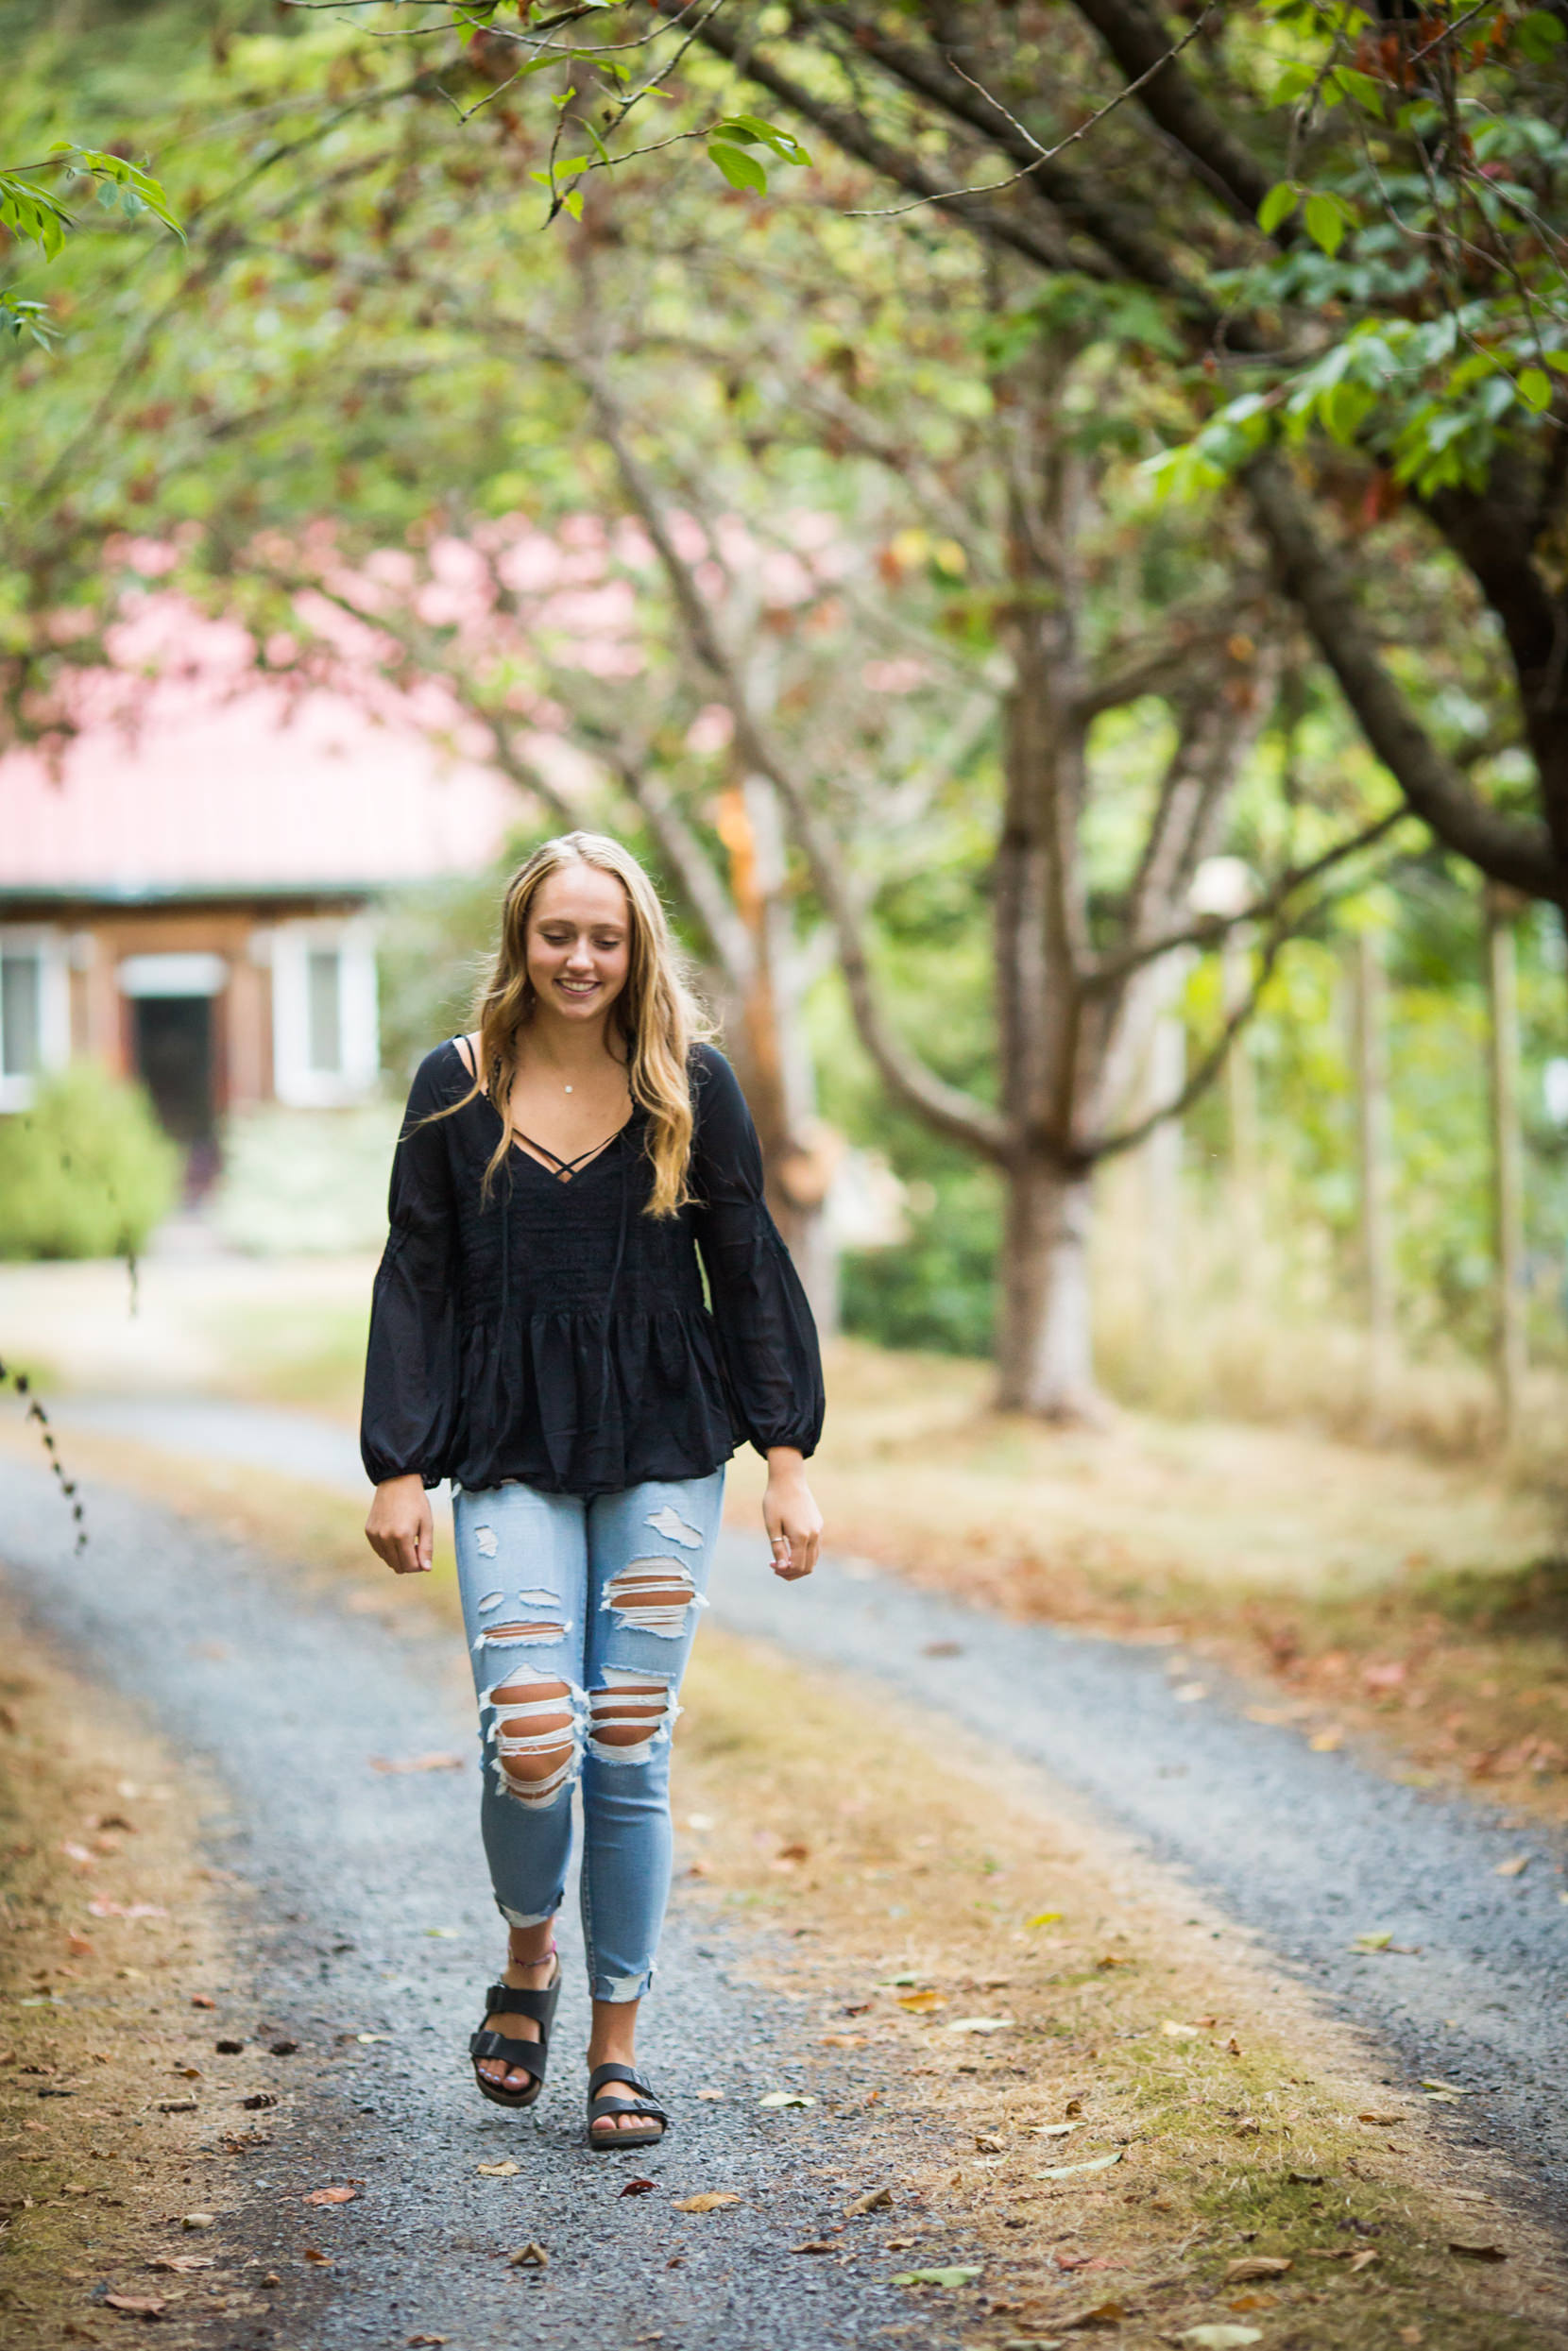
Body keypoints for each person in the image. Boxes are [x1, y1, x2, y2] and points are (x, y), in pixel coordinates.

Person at [361, 831, 825, 2148]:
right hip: (505, 1434)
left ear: (637, 950)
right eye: (557, 933)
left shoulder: (691, 1083)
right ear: (522, 940)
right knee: (532, 1726)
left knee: (628, 1730)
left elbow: (747, 1266)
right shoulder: (454, 1088)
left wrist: (788, 1457)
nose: (579, 958)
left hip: (668, 1436)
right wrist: (397, 1457)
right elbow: (416, 1276)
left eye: (603, 937)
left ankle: (616, 2049)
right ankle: (528, 1960)